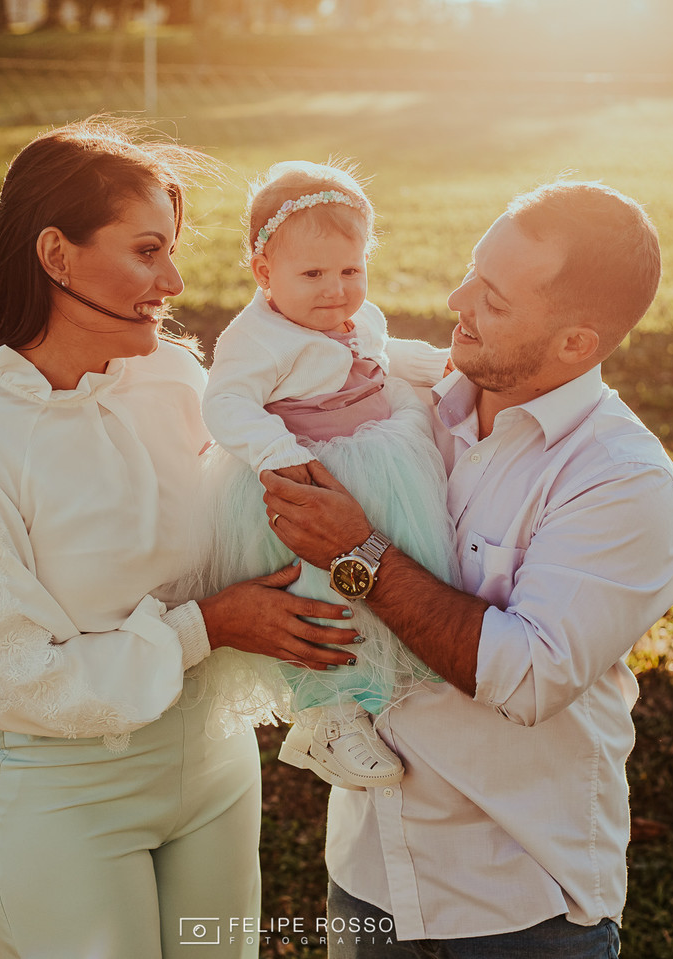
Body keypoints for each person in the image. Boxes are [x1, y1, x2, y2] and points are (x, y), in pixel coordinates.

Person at [0, 120, 360, 959]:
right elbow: (14, 680)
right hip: (69, 795)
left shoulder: (181, 381)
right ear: (56, 255)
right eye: (148, 251)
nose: (175, 280)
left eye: (172, 251)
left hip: (218, 769)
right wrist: (209, 626)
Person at [262, 180, 673, 958]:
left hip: (519, 905)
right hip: (367, 875)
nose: (457, 298)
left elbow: (527, 677)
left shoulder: (622, 482)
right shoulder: (398, 402)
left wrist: (358, 554)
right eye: (472, 270)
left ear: (575, 344)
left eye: (492, 298)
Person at [192, 160, 457, 791]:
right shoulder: (255, 338)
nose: (336, 289)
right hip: (301, 476)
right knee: (319, 594)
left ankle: (392, 677)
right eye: (312, 274)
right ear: (264, 273)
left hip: (377, 459)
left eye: (351, 270)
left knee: (388, 569)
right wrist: (278, 454)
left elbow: (383, 354)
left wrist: (450, 364)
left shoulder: (355, 316)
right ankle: (325, 716)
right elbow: (224, 403)